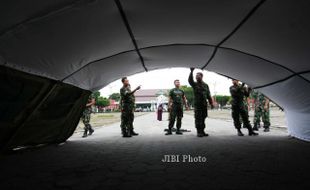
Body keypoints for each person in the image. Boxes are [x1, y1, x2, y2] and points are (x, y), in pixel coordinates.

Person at [188, 68, 214, 137]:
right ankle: (198, 132)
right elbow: (190, 81)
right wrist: (191, 71)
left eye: (198, 76)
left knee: (203, 117)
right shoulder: (195, 84)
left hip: (204, 105)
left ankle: (202, 131)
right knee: (198, 118)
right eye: (196, 76)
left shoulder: (206, 85)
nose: (196, 77)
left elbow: (208, 95)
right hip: (197, 105)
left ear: (201, 77)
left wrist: (211, 103)